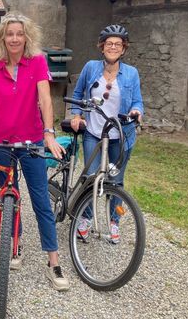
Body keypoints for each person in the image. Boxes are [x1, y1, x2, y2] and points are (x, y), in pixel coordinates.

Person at [0, 12, 70, 291]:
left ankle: (53, 262)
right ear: (3, 38)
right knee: (10, 195)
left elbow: (45, 99)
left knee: (41, 201)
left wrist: (48, 133)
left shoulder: (37, 63)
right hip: (1, 142)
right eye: (10, 34)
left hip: (31, 140)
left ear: (26, 36)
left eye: (19, 33)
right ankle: (14, 247)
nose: (15, 38)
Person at [69, 24, 144, 244]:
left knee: (116, 182)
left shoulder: (131, 73)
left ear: (123, 49)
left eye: (117, 44)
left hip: (120, 135)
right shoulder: (91, 67)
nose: (113, 47)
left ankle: (114, 222)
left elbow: (138, 100)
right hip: (94, 132)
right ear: (102, 47)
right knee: (91, 179)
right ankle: (86, 218)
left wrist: (137, 111)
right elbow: (77, 93)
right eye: (109, 43)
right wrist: (76, 114)